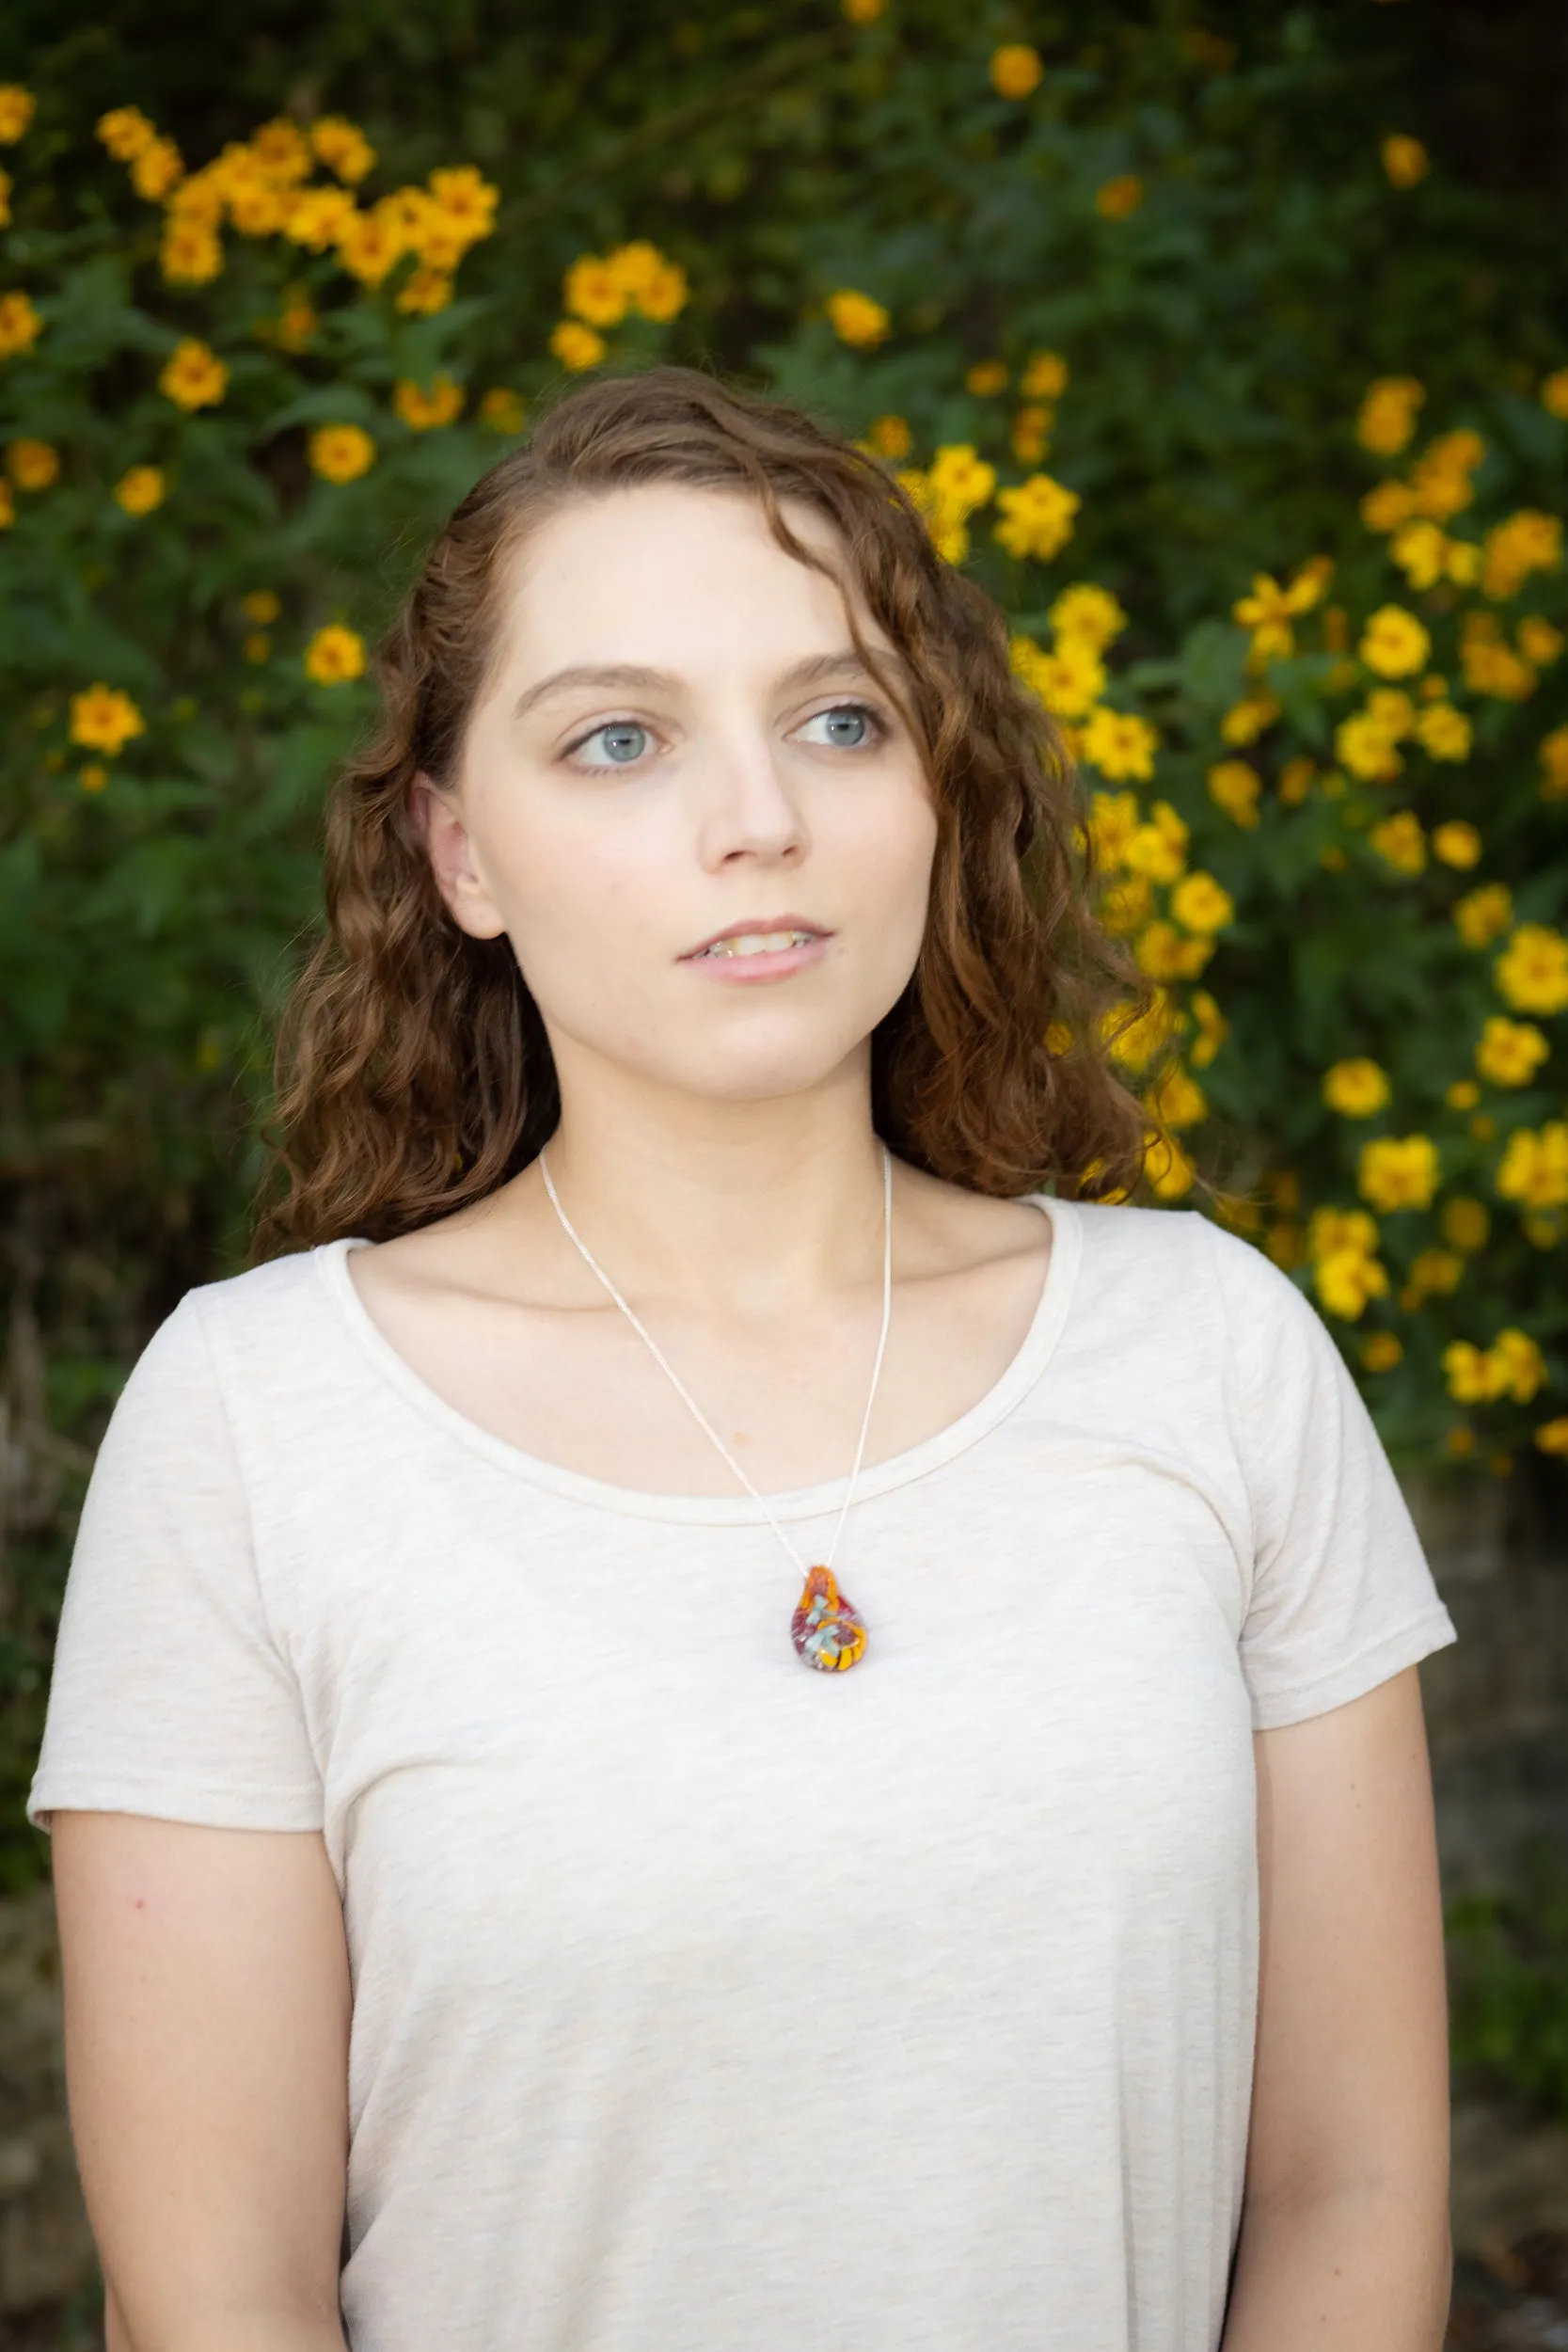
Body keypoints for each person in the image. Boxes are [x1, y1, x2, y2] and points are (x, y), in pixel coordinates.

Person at [32, 365, 1457, 2352]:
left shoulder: (1212, 1352)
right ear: (460, 855)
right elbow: (212, 2304)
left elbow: (1350, 2186)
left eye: (838, 718)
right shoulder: (257, 1424)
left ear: (934, 789)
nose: (758, 818)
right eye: (617, 738)